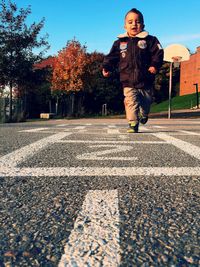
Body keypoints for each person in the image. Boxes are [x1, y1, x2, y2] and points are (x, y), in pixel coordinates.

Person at [102, 8, 163, 133]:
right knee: (130, 101)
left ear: (143, 25)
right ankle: (133, 123)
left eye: (137, 21)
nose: (134, 24)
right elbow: (111, 56)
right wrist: (106, 67)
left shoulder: (150, 40)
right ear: (125, 26)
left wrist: (154, 65)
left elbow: (158, 53)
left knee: (146, 102)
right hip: (128, 80)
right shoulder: (120, 43)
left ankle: (144, 114)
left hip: (145, 80)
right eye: (130, 22)